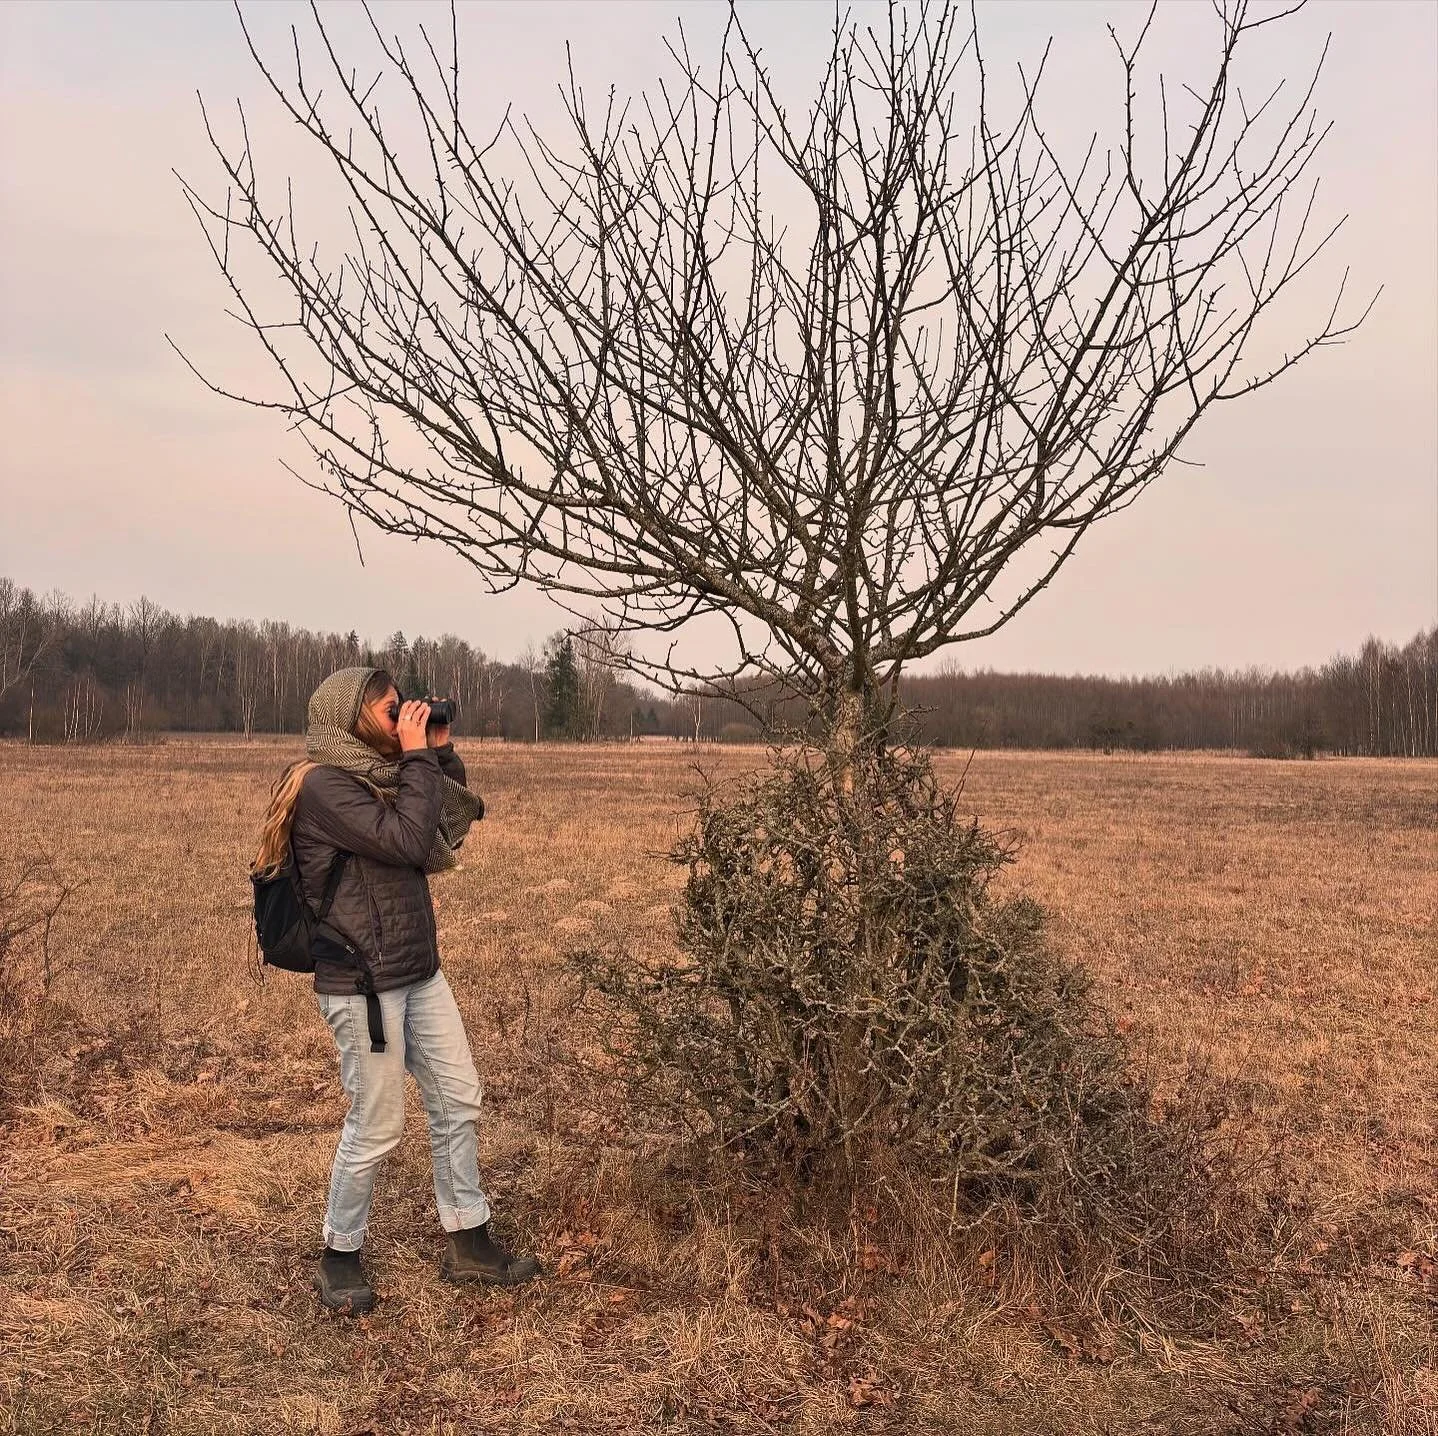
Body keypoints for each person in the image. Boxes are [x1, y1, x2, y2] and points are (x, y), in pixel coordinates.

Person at [252, 666, 539, 1314]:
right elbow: (410, 839)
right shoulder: (326, 787)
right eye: (390, 711)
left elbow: (443, 819)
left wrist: (435, 750)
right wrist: (415, 758)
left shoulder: (388, 776)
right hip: (363, 984)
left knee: (459, 1099)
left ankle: (470, 1242)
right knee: (378, 1125)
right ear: (350, 720)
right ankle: (339, 1254)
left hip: (417, 970)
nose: (399, 718)